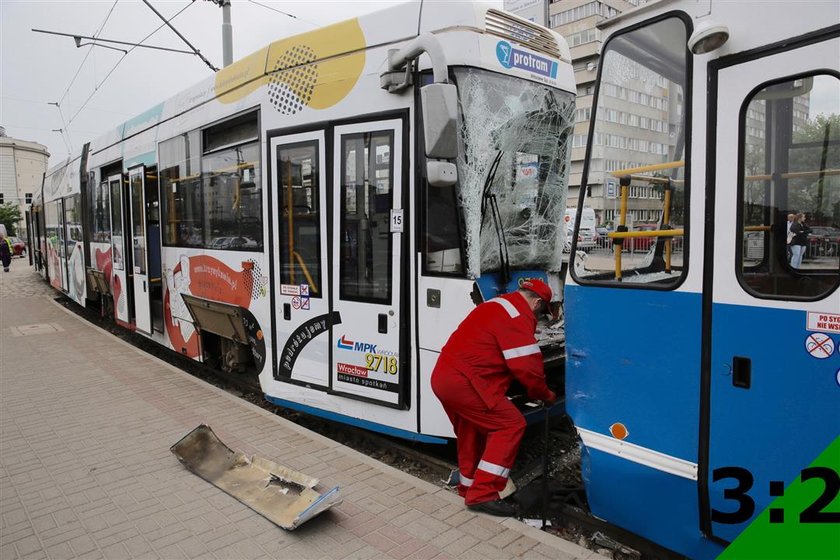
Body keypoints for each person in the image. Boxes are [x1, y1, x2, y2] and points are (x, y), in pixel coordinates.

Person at [431, 279, 556, 516]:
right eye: (541, 312)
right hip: (466, 383)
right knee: (511, 425)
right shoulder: (518, 316)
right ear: (537, 302)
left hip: (444, 377)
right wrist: (545, 394)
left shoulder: (497, 303)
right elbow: (527, 367)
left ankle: (468, 487)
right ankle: (483, 494)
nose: (539, 318)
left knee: (470, 432)